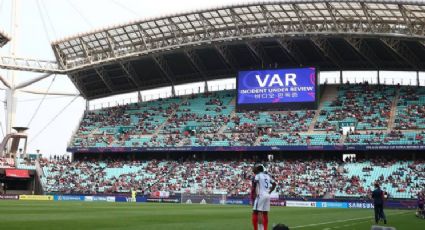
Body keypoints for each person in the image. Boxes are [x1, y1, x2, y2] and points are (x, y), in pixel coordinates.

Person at [252, 164, 277, 230]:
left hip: (260, 195)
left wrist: (256, 194)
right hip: (267, 195)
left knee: (257, 212)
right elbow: (274, 184)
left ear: (258, 169)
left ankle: (260, 229)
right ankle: (264, 229)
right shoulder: (267, 176)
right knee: (265, 213)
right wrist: (269, 192)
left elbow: (256, 184)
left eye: (255, 168)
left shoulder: (258, 176)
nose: (254, 169)